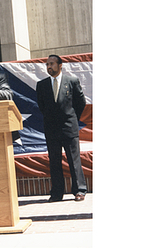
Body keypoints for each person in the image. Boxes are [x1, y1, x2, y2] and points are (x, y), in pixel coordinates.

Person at [36, 55, 87, 202]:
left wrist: (72, 117)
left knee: (74, 160)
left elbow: (80, 102)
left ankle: (79, 190)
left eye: (52, 64)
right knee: (54, 161)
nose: (49, 67)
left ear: (60, 66)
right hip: (51, 129)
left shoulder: (71, 81)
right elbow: (42, 106)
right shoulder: (42, 85)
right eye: (47, 64)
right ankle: (57, 193)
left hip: (69, 127)